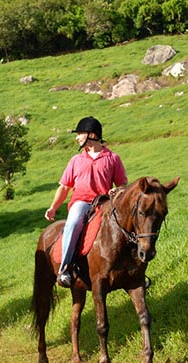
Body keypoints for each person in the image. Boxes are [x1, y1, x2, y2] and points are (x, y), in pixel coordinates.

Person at [44, 116, 128, 288]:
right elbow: (64, 187)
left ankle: (134, 272)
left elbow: (123, 184)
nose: (77, 137)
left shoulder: (113, 158)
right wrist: (53, 207)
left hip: (104, 202)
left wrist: (117, 190)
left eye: (80, 134)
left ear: (91, 135)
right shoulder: (76, 160)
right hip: (82, 202)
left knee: (126, 224)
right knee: (73, 223)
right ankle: (65, 269)